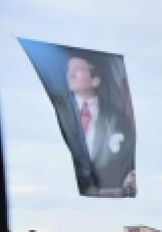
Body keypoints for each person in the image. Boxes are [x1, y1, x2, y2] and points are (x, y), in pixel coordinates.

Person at [56, 54, 136, 196]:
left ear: (94, 80)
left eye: (78, 69)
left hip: (106, 187)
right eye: (69, 69)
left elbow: (123, 156)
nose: (70, 74)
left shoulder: (116, 117)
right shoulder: (59, 109)